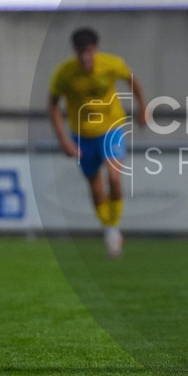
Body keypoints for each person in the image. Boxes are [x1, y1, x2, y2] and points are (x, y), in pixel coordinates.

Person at [48, 28, 147, 258]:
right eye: (81, 52)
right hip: (82, 136)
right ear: (75, 52)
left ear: (96, 50)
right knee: (95, 187)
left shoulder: (111, 64)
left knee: (113, 177)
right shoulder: (64, 74)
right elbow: (52, 105)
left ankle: (114, 225)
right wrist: (63, 140)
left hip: (111, 128)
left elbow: (132, 80)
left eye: (89, 52)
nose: (85, 57)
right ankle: (110, 229)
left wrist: (143, 107)